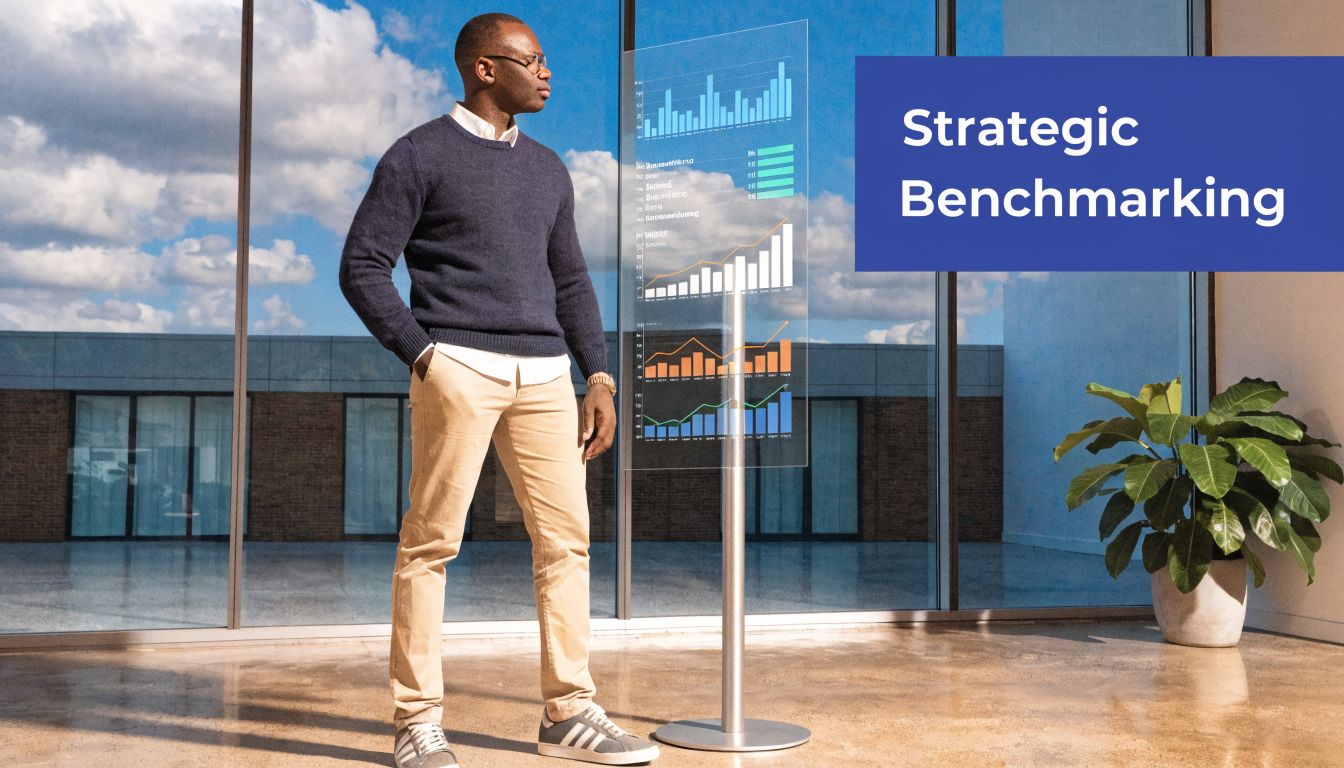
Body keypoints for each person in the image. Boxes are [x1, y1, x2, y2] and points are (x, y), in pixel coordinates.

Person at [339, 12, 659, 768]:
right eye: (533, 61)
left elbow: (572, 279)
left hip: (548, 375)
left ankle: (569, 712)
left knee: (566, 544)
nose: (547, 73)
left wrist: (599, 374)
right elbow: (362, 265)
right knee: (430, 546)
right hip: (459, 367)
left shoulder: (548, 167)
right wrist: (425, 357)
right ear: (486, 69)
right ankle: (417, 721)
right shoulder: (418, 155)